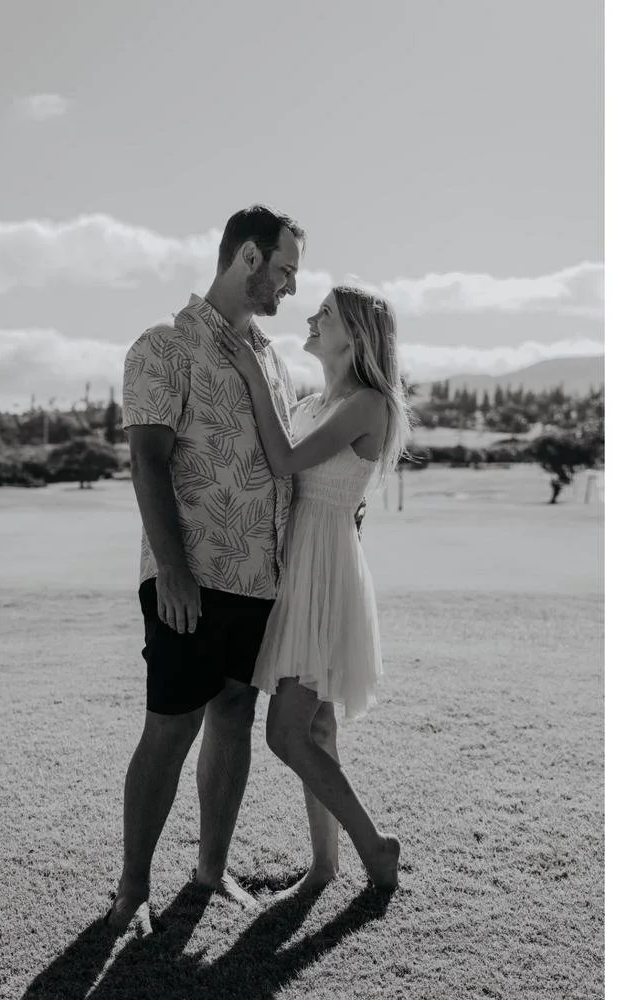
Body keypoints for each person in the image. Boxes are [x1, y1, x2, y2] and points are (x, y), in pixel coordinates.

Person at [105, 205, 306, 932]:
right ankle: (132, 892)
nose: (289, 286)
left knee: (233, 714)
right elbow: (148, 461)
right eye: (283, 269)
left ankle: (211, 873)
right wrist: (173, 571)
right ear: (247, 258)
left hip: (262, 579)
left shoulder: (275, 358)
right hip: (191, 576)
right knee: (171, 723)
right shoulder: (163, 347)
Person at [217, 285, 411, 893]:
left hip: (323, 571)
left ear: (352, 336)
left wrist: (250, 368)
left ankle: (375, 846)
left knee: (285, 732)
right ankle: (324, 867)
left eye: (324, 313)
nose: (311, 317)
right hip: (297, 565)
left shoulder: (368, 403)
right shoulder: (309, 402)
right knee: (319, 730)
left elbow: (284, 462)